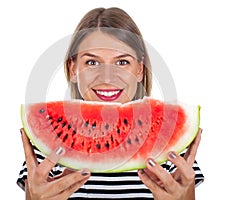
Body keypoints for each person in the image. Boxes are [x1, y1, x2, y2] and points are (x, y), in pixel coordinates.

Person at [17, 7, 204, 199]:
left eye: (122, 62)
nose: (107, 78)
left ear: (140, 70)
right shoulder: (45, 155)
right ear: (73, 70)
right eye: (92, 62)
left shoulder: (173, 154)